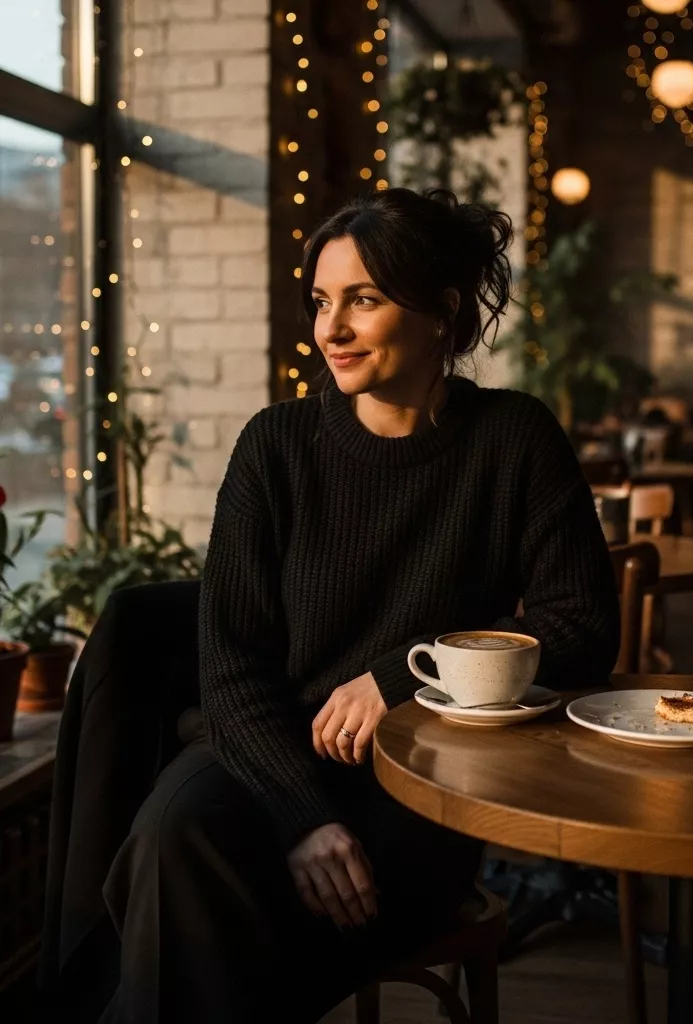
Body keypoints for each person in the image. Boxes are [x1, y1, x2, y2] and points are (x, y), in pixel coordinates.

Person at [98, 187, 620, 1023]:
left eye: (363, 300)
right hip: (263, 754)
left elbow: (581, 628)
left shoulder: (515, 439)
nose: (329, 330)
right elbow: (230, 665)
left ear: (441, 313)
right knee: (173, 840)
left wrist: (402, 678)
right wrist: (302, 818)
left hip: (421, 778)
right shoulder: (275, 446)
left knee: (198, 925)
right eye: (321, 301)